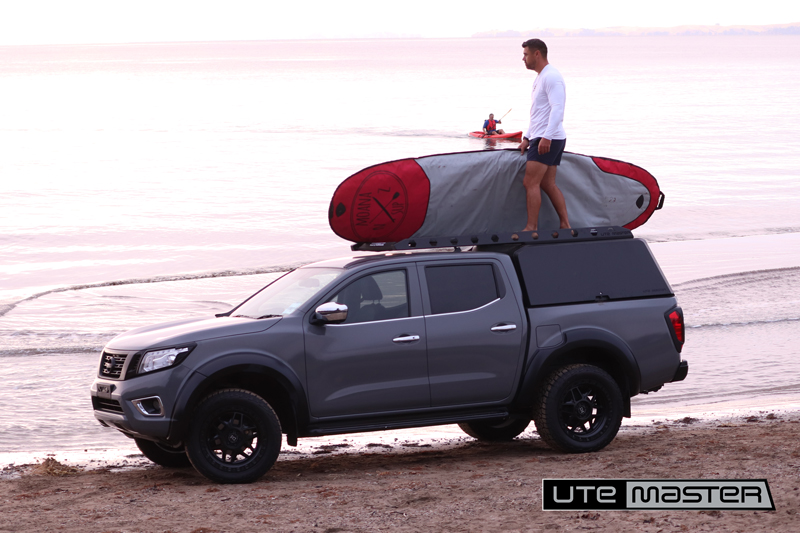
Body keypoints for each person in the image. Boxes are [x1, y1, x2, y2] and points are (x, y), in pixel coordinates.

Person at [518, 38, 570, 231]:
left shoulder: (551, 76)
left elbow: (558, 109)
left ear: (537, 54)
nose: (523, 59)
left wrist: (546, 137)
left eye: (526, 54)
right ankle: (565, 224)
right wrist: (526, 137)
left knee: (530, 182)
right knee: (547, 183)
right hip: (544, 136)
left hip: (548, 138)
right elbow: (538, 113)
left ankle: (531, 227)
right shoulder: (541, 77)